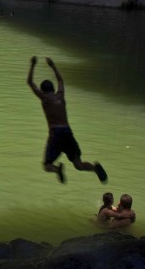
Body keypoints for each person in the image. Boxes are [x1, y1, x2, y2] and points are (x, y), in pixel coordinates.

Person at [27, 56, 107, 184]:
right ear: (53, 89)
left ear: (43, 90)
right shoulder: (60, 95)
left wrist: (32, 64)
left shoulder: (44, 98)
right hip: (67, 131)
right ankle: (94, 168)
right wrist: (53, 66)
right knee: (78, 165)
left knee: (47, 165)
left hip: (56, 134)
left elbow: (30, 82)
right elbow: (60, 80)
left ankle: (57, 170)